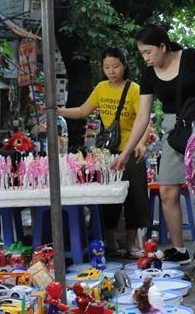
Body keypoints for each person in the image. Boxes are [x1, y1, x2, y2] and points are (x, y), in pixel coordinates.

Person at [113, 25, 195, 271]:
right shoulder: (148, 73)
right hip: (173, 132)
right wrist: (126, 152)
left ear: (163, 46)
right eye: (142, 53)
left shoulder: (191, 56)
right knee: (167, 192)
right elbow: (143, 116)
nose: (146, 58)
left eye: (148, 52)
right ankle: (180, 249)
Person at [56, 47, 149, 257]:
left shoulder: (134, 89)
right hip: (107, 152)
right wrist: (58, 110)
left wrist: (141, 143)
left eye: (115, 66)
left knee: (134, 198)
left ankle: (132, 244)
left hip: (132, 150)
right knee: (107, 199)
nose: (111, 71)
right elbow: (82, 111)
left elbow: (146, 121)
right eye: (107, 67)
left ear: (124, 65)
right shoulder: (100, 88)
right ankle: (110, 242)